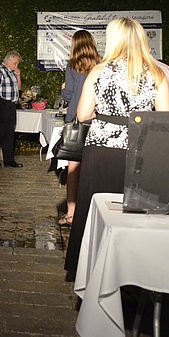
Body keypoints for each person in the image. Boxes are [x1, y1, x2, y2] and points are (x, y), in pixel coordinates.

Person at [64, 18, 169, 274]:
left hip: (101, 149)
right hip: (139, 150)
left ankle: (93, 266)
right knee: (134, 212)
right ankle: (131, 268)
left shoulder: (99, 71)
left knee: (98, 210)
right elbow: (167, 118)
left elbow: (82, 114)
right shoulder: (155, 73)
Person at [57, 30, 100, 225]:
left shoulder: (72, 65)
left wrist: (63, 89)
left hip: (76, 118)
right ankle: (92, 213)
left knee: (73, 170)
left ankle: (71, 213)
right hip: (96, 119)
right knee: (94, 168)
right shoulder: (101, 64)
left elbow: (69, 95)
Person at [0, 50, 23, 168]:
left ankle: (9, 159)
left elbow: (19, 88)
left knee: (9, 132)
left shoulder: (11, 72)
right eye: (15, 63)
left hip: (11, 104)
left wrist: (18, 75)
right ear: (8, 60)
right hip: (3, 103)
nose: (16, 66)